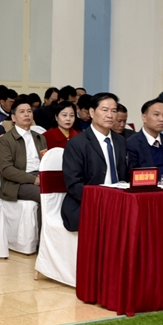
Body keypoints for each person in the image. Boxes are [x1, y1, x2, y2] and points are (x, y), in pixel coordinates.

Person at [61, 93, 128, 232]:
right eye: (104, 110)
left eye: (114, 111)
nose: (110, 115)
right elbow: (74, 185)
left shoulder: (121, 141)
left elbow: (127, 175)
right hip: (87, 203)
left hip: (119, 201)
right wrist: (103, 200)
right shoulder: (77, 143)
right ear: (92, 112)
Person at [0, 96, 46, 222]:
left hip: (40, 177)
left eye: (29, 111)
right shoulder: (5, 140)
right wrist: (33, 179)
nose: (27, 114)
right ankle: (41, 238)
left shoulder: (39, 138)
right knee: (44, 195)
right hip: (16, 183)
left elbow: (45, 161)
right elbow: (6, 170)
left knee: (62, 191)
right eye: (22, 112)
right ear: (13, 117)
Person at [126, 100, 163, 179]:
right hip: (147, 188)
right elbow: (131, 175)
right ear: (144, 117)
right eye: (156, 114)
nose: (162, 119)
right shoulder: (133, 143)